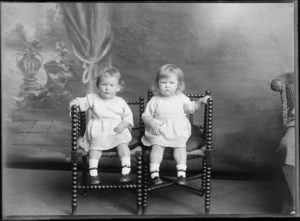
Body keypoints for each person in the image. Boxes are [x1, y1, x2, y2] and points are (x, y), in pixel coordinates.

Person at [141, 64, 211, 185]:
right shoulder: (155, 99)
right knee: (157, 147)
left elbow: (191, 108)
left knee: (180, 147)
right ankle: (154, 174)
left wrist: (200, 102)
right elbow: (146, 115)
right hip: (160, 130)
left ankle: (181, 174)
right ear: (157, 84)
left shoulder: (181, 97)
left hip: (177, 130)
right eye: (163, 82)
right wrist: (152, 122)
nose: (167, 85)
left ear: (178, 85)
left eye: (171, 83)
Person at [69, 67, 134, 185]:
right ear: (98, 86)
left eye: (111, 85)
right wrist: (74, 103)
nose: (107, 88)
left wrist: (124, 124)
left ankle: (126, 171)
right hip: (99, 131)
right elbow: (81, 102)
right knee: (95, 148)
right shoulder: (93, 98)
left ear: (118, 87)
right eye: (104, 84)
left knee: (123, 145)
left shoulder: (120, 102)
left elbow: (128, 117)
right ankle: (93, 173)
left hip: (116, 131)